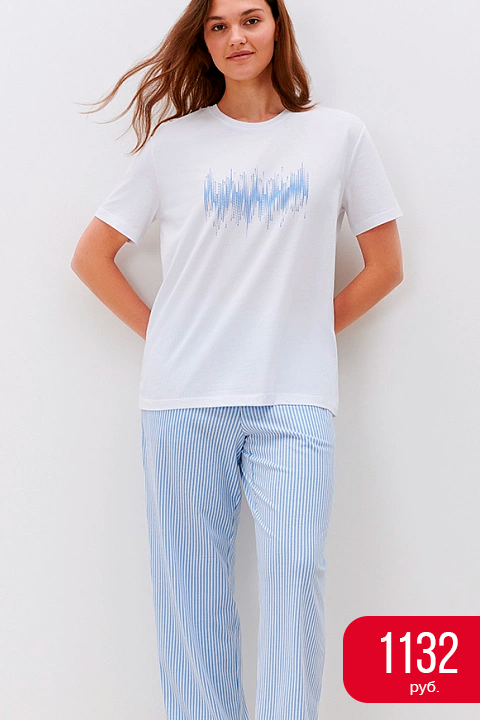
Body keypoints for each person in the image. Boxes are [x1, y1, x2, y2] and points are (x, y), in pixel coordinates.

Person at [71, 0, 404, 718]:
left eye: (250, 19)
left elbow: (386, 267)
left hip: (294, 397)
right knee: (189, 595)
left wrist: (304, 332)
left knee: (296, 572)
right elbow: (92, 257)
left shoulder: (338, 136)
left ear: (278, 26)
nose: (235, 37)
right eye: (218, 26)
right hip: (185, 402)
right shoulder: (174, 145)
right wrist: (166, 334)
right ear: (205, 41)